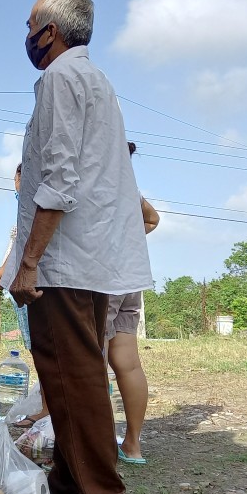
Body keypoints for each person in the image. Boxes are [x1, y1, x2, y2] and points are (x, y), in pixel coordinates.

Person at [8, 0, 151, 494]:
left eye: (30, 26)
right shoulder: (94, 80)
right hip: (89, 257)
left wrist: (29, 261)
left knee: (75, 376)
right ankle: (69, 487)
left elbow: (60, 179)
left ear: (51, 31)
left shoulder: (61, 78)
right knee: (68, 375)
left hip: (65, 261)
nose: (26, 37)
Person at [109, 141, 160, 464]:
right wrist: (129, 237)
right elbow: (152, 220)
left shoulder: (99, 182)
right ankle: (133, 445)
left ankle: (98, 445)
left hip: (102, 279)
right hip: (133, 277)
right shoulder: (131, 187)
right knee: (128, 363)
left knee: (93, 364)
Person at [0, 164, 50, 428]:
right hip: (29, 280)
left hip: (32, 283)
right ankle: (48, 406)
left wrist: (2, 274)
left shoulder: (34, 205)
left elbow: (24, 247)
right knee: (39, 349)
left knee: (41, 348)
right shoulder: (29, 206)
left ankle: (47, 410)